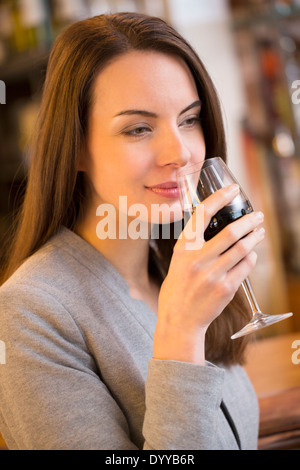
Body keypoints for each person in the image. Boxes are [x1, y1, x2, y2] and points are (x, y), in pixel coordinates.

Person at [0, 12, 265, 450]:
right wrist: (180, 333)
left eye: (189, 119)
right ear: (76, 148)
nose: (179, 153)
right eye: (138, 128)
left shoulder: (171, 270)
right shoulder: (27, 315)